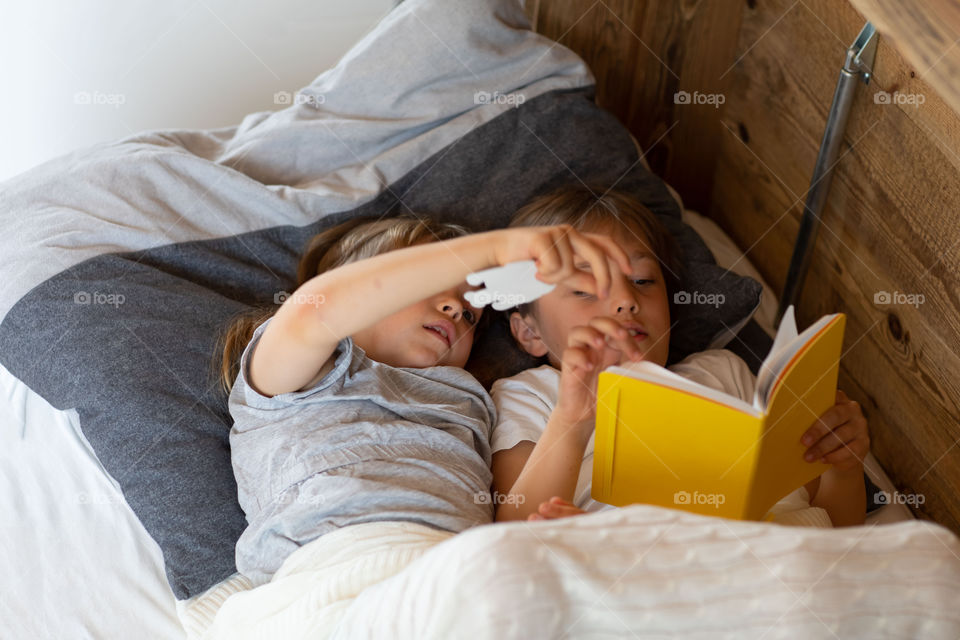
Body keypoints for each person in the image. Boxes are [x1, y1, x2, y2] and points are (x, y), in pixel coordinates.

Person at [214, 212, 635, 586]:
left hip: (460, 574)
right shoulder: (301, 371)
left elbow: (516, 530)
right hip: (326, 566)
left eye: (472, 312)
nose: (456, 307)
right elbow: (316, 311)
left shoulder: (469, 403)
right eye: (430, 286)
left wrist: (574, 419)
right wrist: (495, 248)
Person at [490, 185, 870, 527]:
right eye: (585, 288)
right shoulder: (533, 396)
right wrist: (572, 422)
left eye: (643, 281)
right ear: (529, 332)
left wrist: (845, 469)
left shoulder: (723, 371)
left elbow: (836, 528)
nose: (625, 301)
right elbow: (512, 528)